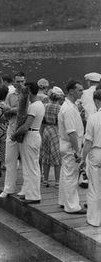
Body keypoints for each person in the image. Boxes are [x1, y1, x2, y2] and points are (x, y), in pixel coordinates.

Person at [10, 82, 45, 204]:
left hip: (31, 135)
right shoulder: (39, 104)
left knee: (31, 167)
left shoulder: (34, 106)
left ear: (29, 91)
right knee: (30, 166)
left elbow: (26, 126)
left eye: (25, 90)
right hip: (34, 135)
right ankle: (29, 193)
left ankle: (34, 195)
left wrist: (14, 135)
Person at [58, 79, 86, 214]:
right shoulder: (68, 109)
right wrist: (77, 151)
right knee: (71, 176)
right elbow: (72, 133)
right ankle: (72, 206)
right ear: (71, 91)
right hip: (71, 146)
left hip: (66, 145)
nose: (82, 92)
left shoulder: (70, 106)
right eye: (79, 90)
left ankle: (64, 201)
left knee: (65, 174)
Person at [0, 72, 26, 198]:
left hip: (25, 130)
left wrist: (13, 109)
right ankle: (8, 188)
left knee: (26, 161)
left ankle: (26, 188)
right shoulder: (10, 95)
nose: (20, 83)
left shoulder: (27, 94)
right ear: (14, 82)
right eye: (18, 81)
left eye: (22, 81)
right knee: (10, 159)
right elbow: (5, 112)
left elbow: (25, 111)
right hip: (12, 127)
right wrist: (12, 110)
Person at [81, 89, 101, 226]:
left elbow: (88, 142)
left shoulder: (93, 118)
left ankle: (94, 219)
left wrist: (83, 159)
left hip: (97, 153)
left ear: (96, 101)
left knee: (94, 187)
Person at [40, 86, 64, 188]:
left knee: (46, 155)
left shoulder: (45, 106)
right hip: (55, 130)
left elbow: (43, 120)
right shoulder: (59, 108)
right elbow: (60, 122)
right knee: (57, 156)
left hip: (46, 130)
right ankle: (57, 181)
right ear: (59, 98)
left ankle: (45, 179)